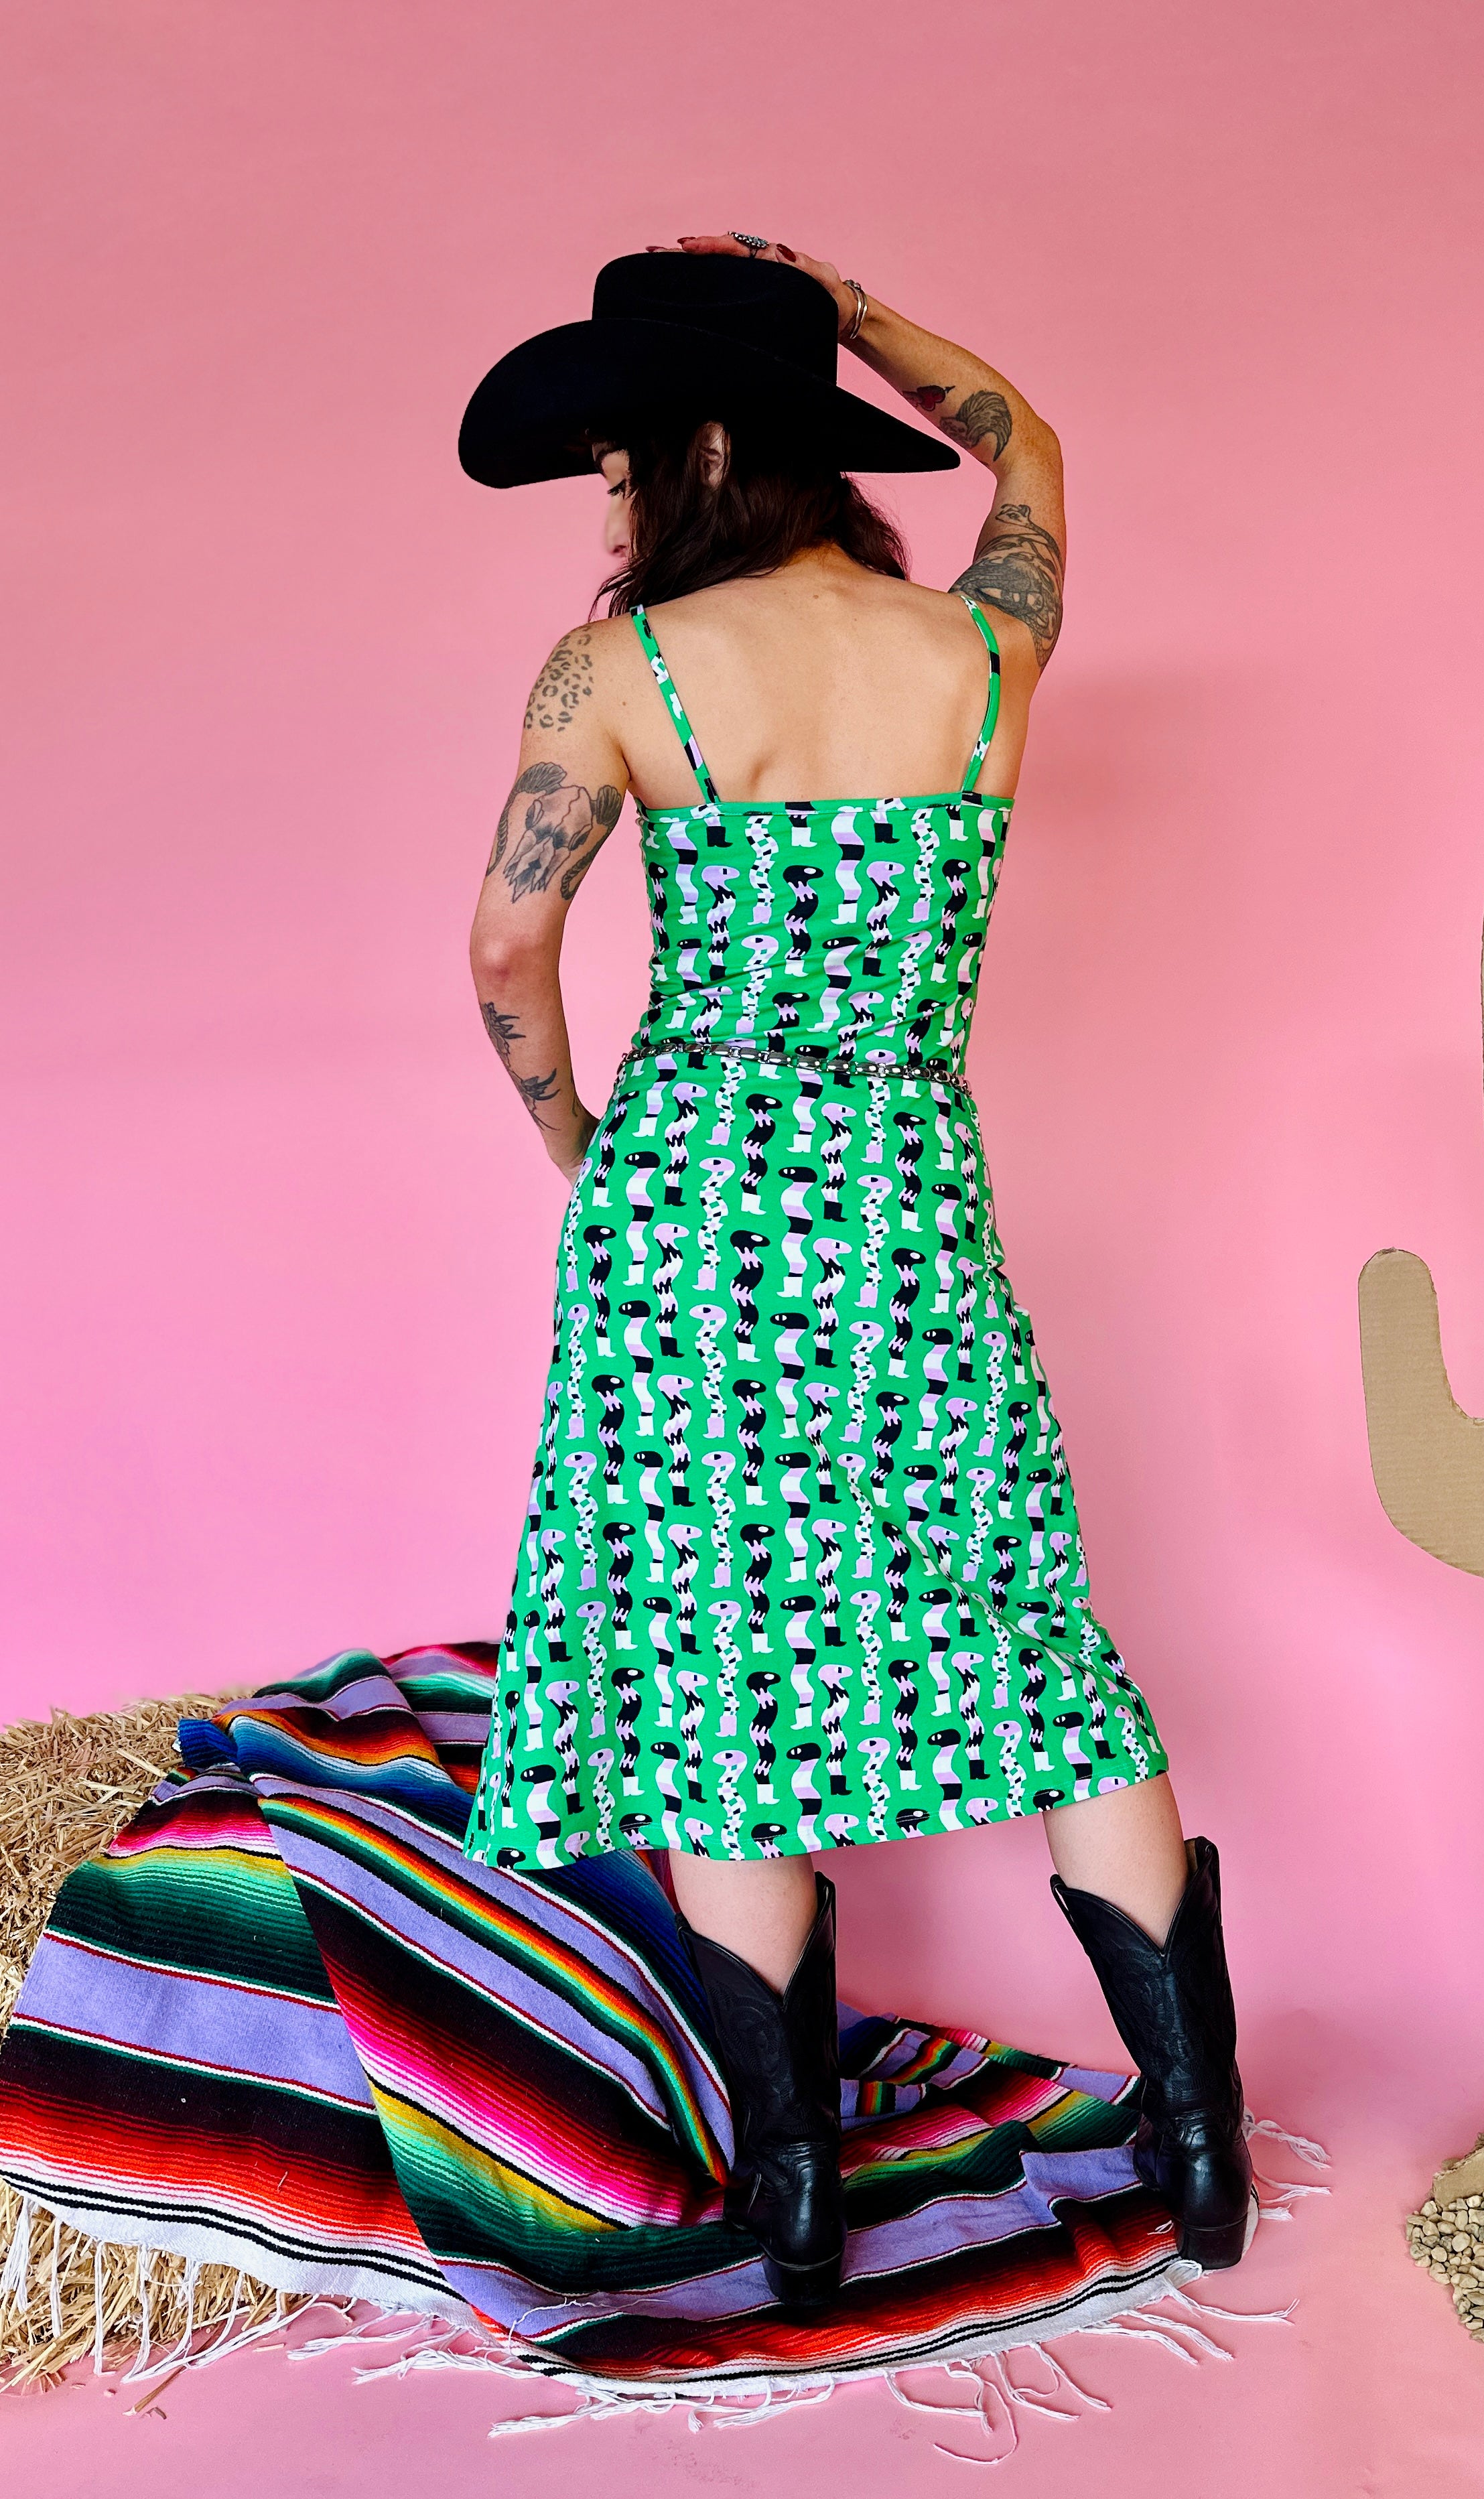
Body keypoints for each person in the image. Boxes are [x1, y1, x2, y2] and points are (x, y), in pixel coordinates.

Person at [456, 235, 1253, 2311]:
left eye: (627, 457)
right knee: (1032, 1636)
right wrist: (857, 314)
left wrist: (580, 1144)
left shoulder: (623, 672)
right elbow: (1029, 443)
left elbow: (507, 945)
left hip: (696, 1194)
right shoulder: (983, 650)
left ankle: (799, 2209)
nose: (613, 498)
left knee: (717, 1652)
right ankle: (1202, 2152)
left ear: (714, 450)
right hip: (908, 1183)